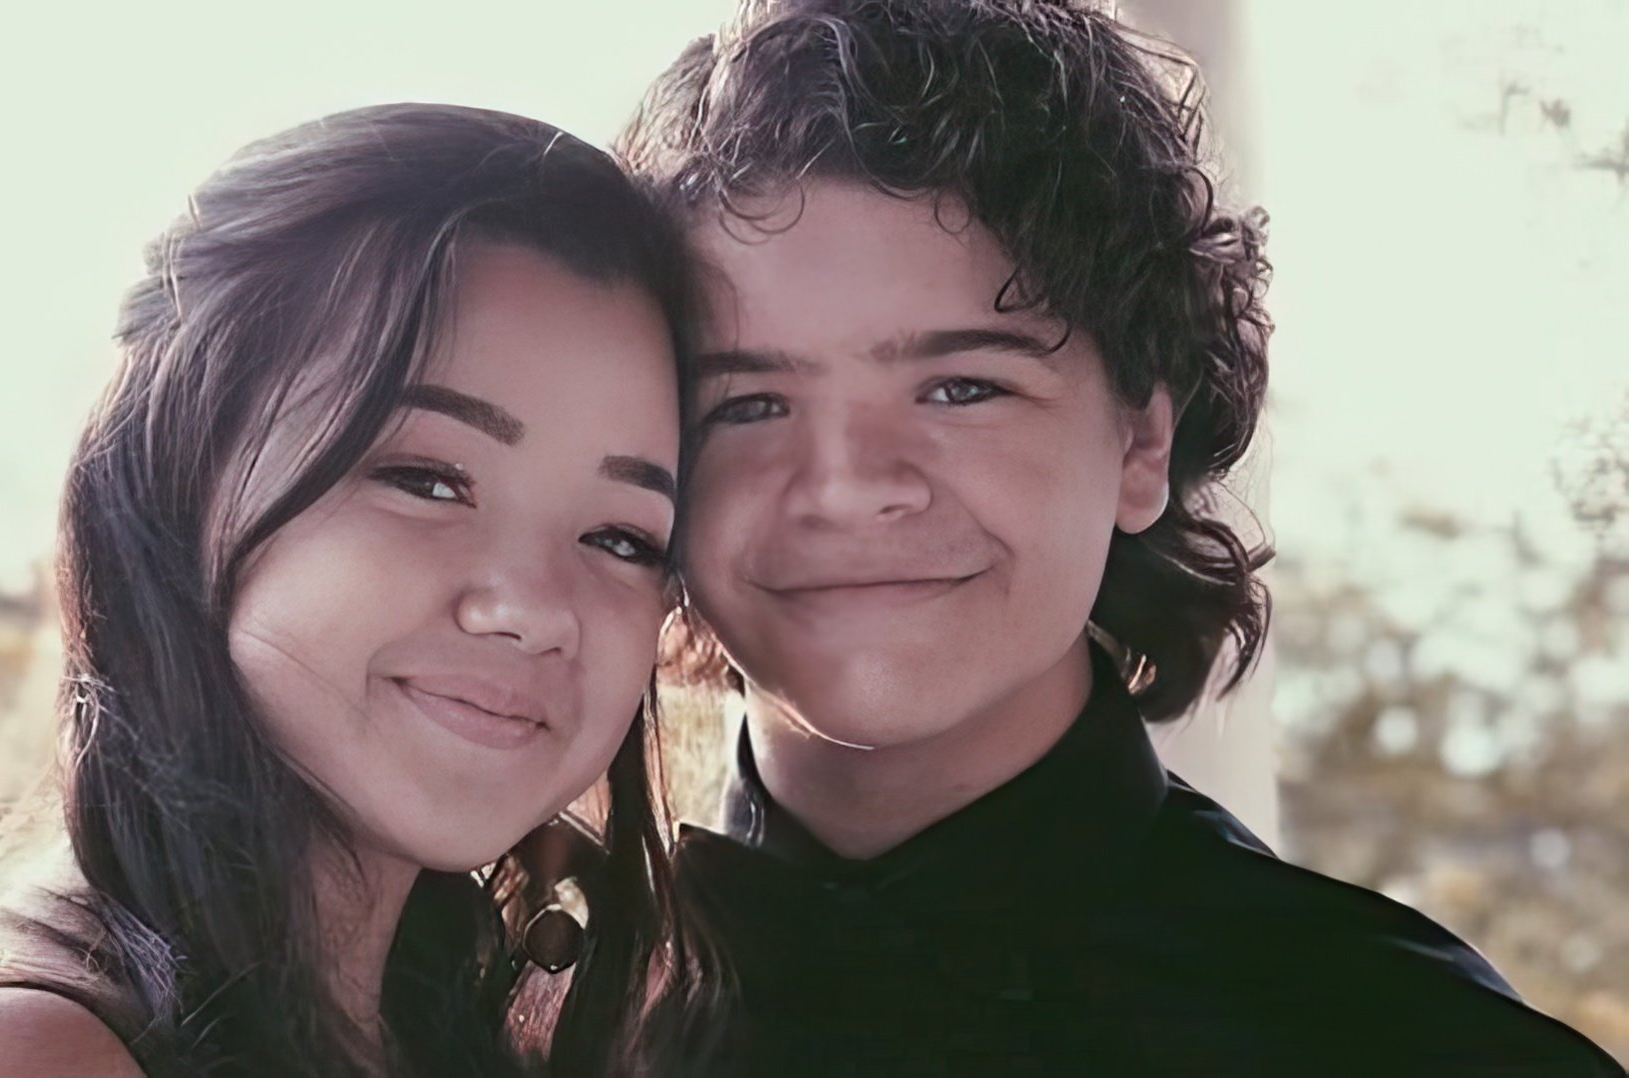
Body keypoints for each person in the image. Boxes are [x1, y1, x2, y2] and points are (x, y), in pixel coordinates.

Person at [618, 0, 1625, 1073]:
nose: (849, 486)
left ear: (1144, 439)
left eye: (961, 387)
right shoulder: (504, 1022)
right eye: (748, 404)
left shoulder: (1422, 1046)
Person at [0, 103, 712, 1077]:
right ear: (183, 471)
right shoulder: (21, 1056)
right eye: (427, 480)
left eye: (620, 536)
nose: (535, 606)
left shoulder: (425, 1022)